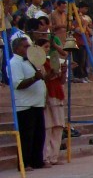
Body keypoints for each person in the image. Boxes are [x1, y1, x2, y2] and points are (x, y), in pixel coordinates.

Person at [10, 37, 47, 169]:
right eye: (25, 46)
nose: (28, 49)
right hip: (25, 104)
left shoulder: (30, 61)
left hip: (37, 103)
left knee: (39, 134)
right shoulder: (15, 63)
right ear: (17, 49)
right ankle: (24, 163)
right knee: (26, 136)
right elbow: (18, 84)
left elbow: (42, 77)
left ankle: (37, 161)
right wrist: (34, 78)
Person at [38, 37, 67, 166]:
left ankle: (54, 156)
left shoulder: (51, 61)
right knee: (48, 127)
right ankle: (46, 157)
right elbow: (44, 79)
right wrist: (52, 73)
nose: (47, 49)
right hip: (47, 95)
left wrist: (63, 71)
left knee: (58, 126)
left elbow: (61, 81)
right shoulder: (37, 63)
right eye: (45, 47)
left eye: (48, 47)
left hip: (57, 94)